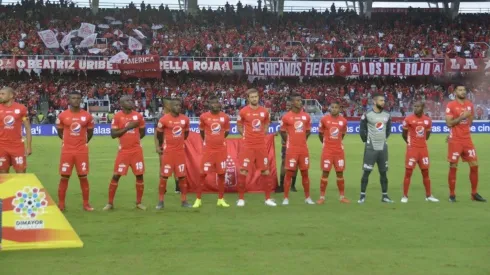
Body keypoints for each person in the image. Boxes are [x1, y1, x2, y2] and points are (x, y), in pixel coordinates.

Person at [103, 96, 147, 211]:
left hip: (137, 151)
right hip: (123, 152)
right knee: (116, 175)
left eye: (131, 100)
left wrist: (134, 141)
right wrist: (128, 128)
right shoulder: (117, 117)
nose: (131, 102)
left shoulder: (138, 116)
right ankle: (110, 203)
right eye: (127, 100)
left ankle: (139, 203)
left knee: (139, 175)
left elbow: (142, 132)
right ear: (121, 104)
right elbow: (113, 134)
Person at [445, 84, 486, 202]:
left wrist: (464, 123)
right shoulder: (451, 105)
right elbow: (449, 123)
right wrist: (462, 117)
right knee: (453, 166)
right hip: (455, 141)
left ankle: (474, 193)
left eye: (464, 90)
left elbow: (470, 122)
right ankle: (452, 194)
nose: (463, 92)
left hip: (467, 140)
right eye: (460, 90)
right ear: (455, 92)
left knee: (475, 165)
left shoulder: (470, 105)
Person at [56, 91, 95, 211]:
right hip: (67, 151)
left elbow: (90, 133)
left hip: (81, 151)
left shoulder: (87, 116)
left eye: (78, 98)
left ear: (81, 100)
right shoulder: (62, 115)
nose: (76, 100)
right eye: (73, 98)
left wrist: (82, 143)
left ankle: (86, 204)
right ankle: (61, 204)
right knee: (64, 177)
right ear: (68, 100)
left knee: (83, 176)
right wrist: (68, 142)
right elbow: (60, 132)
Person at [236, 88, 275, 207]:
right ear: (248, 99)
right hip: (248, 146)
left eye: (256, 97)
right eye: (252, 97)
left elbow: (267, 124)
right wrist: (245, 136)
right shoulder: (243, 111)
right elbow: (239, 126)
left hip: (260, 146)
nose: (254, 99)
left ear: (258, 97)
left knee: (265, 171)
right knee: (243, 170)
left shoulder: (264, 111)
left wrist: (263, 134)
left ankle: (268, 199)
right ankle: (241, 199)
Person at [193, 95, 231, 208]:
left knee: (221, 174)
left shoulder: (225, 117)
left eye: (217, 102)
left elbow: (226, 132)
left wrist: (219, 139)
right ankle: (198, 199)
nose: (215, 105)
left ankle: (220, 199)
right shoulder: (204, 117)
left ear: (220, 104)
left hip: (221, 150)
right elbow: (202, 132)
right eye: (212, 103)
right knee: (202, 174)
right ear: (209, 105)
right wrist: (209, 141)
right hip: (208, 150)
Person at [155, 98, 191, 209]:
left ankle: (184, 201)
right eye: (176, 105)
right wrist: (161, 145)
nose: (178, 107)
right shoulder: (164, 119)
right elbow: (159, 134)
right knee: (164, 176)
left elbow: (186, 134)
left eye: (179, 105)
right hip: (168, 153)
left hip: (180, 152)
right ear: (170, 107)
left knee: (182, 177)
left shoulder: (185, 119)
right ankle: (161, 201)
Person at [401, 101, 439, 203]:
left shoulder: (427, 120)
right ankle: (405, 196)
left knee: (425, 172)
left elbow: (427, 136)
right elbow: (404, 134)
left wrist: (420, 142)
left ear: (423, 108)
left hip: (423, 150)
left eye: (418, 106)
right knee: (408, 172)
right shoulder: (408, 119)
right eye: (414, 106)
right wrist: (410, 143)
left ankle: (429, 195)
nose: (415, 108)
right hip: (412, 149)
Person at [279, 94, 314, 205]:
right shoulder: (286, 117)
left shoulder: (306, 117)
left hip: (303, 149)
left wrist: (302, 140)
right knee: (289, 173)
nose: (300, 102)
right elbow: (282, 131)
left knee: (305, 173)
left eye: (300, 100)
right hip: (292, 150)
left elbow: (308, 131)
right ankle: (285, 197)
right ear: (293, 102)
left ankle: (307, 197)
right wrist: (290, 141)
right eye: (298, 100)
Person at [358, 94, 393, 204]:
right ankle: (362, 196)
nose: (383, 102)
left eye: (384, 100)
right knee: (366, 172)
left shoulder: (387, 115)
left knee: (383, 173)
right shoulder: (367, 114)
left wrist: (382, 140)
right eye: (381, 100)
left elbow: (388, 130)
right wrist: (367, 141)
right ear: (374, 101)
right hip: (371, 147)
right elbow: (362, 130)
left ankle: (385, 196)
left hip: (383, 147)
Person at [317, 101, 350, 204]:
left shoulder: (343, 121)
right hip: (327, 151)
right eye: (332, 107)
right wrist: (327, 144)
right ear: (330, 108)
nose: (334, 109)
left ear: (339, 109)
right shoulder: (324, 119)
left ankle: (342, 197)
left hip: (339, 151)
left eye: (336, 107)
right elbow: (320, 134)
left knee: (340, 173)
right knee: (325, 172)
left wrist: (336, 143)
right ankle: (322, 197)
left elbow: (342, 134)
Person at [0, 87, 32, 173]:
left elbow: (27, 128)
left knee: (21, 173)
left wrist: (29, 147)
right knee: (3, 175)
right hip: (2, 146)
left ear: (11, 95)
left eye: (3, 94)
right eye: (0, 94)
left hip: (17, 146)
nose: (0, 96)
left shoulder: (21, 108)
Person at [154, 97, 180, 193]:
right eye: (170, 104)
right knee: (163, 166)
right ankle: (162, 187)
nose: (172, 106)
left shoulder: (177, 115)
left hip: (176, 145)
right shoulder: (159, 117)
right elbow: (155, 133)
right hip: (163, 145)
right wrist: (157, 146)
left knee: (177, 166)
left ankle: (178, 187)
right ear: (165, 105)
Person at [276, 100, 298, 193]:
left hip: (297, 145)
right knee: (284, 163)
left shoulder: (298, 116)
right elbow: (282, 130)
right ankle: (281, 185)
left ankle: (293, 185)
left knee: (295, 164)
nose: (288, 106)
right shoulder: (284, 116)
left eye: (290, 104)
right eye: (287, 104)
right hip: (286, 145)